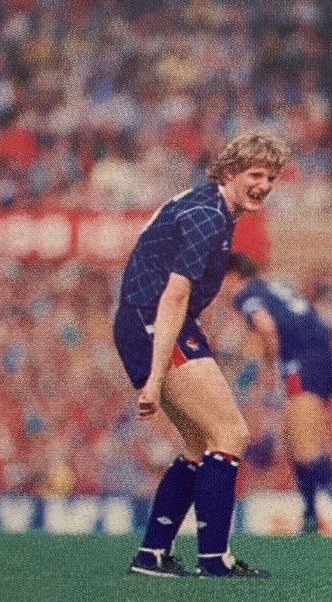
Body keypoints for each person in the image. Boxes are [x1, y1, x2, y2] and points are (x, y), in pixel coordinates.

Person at [112, 133, 288, 578]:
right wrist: (154, 378)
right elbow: (174, 296)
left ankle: (151, 555)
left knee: (199, 443)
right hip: (153, 321)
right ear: (229, 173)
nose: (264, 184)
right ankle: (214, 559)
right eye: (255, 174)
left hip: (149, 320)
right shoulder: (209, 215)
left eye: (270, 176)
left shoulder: (213, 207)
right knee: (230, 431)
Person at [222, 253, 332, 535]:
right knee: (292, 441)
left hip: (302, 363)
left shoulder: (245, 294)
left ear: (232, 276)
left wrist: (270, 368)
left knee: (305, 446)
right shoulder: (272, 287)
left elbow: (265, 327)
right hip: (319, 358)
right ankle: (310, 515)